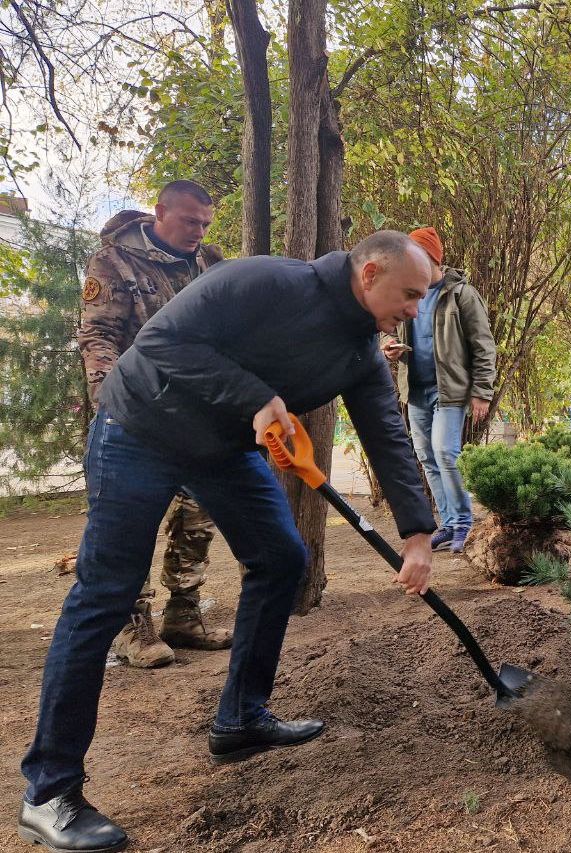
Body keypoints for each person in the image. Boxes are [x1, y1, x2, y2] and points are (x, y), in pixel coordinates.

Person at [18, 231, 438, 853]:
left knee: (281, 559)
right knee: (106, 594)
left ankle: (240, 718)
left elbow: (387, 436)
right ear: (370, 273)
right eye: (409, 294)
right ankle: (48, 792)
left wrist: (418, 534)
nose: (414, 310)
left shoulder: (361, 354)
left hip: (220, 451)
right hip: (140, 426)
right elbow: (161, 342)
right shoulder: (264, 281)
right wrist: (259, 397)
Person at [78, 180, 232, 668]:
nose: (198, 231)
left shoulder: (209, 261)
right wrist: (109, 400)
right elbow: (100, 333)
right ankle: (132, 626)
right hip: (135, 412)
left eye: (205, 223)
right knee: (132, 519)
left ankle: (184, 615)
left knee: (197, 514)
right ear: (160, 212)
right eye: (190, 221)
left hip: (196, 413)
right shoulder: (114, 261)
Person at [381, 227, 496, 553]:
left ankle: (463, 524)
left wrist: (482, 391)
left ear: (431, 257)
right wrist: (388, 344)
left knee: (446, 454)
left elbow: (484, 346)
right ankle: (447, 525)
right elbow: (385, 327)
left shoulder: (461, 294)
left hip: (450, 391)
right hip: (415, 390)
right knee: (427, 457)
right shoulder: (407, 291)